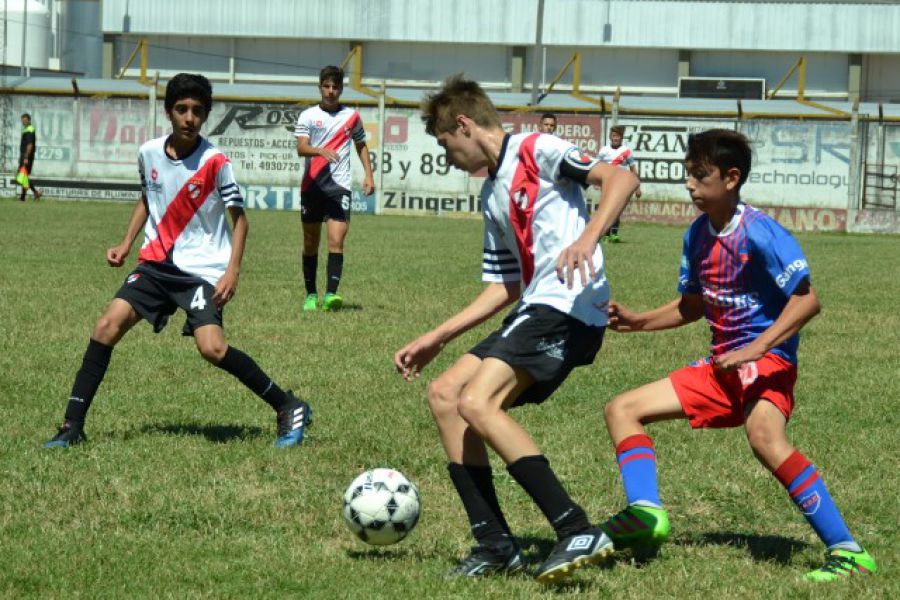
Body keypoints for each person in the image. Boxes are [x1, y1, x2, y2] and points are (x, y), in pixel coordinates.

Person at [599, 129, 876, 582]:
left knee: (764, 437)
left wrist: (757, 348)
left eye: (700, 176)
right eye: (688, 175)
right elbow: (692, 307)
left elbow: (807, 301)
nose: (690, 185)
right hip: (723, 366)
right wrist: (637, 321)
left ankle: (848, 551)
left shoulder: (761, 233)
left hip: (768, 363)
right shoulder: (696, 235)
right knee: (622, 408)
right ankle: (646, 514)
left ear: (731, 178)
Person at [394, 75, 638, 583]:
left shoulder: (537, 148)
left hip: (571, 305)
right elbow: (504, 286)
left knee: (477, 402)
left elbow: (620, 181)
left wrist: (588, 239)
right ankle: (495, 542)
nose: (448, 158)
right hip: (534, 306)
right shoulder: (491, 196)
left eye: (445, 145)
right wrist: (436, 336)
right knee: (445, 394)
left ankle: (575, 529)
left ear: (463, 125)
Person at [43, 74, 312, 450]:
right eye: (182, 109)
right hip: (154, 264)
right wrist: (125, 243)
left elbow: (241, 221)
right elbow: (148, 197)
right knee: (106, 326)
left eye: (197, 111)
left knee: (212, 349)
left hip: (201, 271)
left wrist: (232, 271)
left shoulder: (216, 162)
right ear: (169, 112)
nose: (189, 117)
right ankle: (72, 426)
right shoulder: (149, 152)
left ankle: (288, 405)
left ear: (205, 116)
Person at [294, 65, 375, 312]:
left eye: (335, 87)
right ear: (320, 87)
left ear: (341, 89)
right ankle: (310, 294)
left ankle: (331, 295)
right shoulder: (308, 116)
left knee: (336, 241)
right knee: (310, 242)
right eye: (326, 86)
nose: (330, 91)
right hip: (312, 186)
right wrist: (320, 150)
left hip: (339, 187)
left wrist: (369, 175)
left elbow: (361, 145)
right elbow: (301, 148)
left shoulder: (351, 117)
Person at [596, 125, 640, 242]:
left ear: (621, 138)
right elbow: (596, 167)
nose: (616, 138)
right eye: (614, 136)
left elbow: (633, 169)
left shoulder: (626, 151)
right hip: (606, 183)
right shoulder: (603, 151)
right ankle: (605, 234)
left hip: (620, 184)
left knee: (616, 209)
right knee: (606, 209)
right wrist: (596, 181)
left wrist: (637, 187)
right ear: (610, 137)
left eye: (618, 136)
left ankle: (614, 234)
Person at [18, 113, 42, 201]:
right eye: (22, 120)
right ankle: (34, 194)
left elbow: (30, 144)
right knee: (23, 176)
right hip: (25, 156)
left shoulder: (30, 130)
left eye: (25, 120)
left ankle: (25, 197)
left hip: (27, 156)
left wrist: (26, 157)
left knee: (22, 175)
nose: (23, 122)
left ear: (29, 120)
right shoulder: (26, 129)